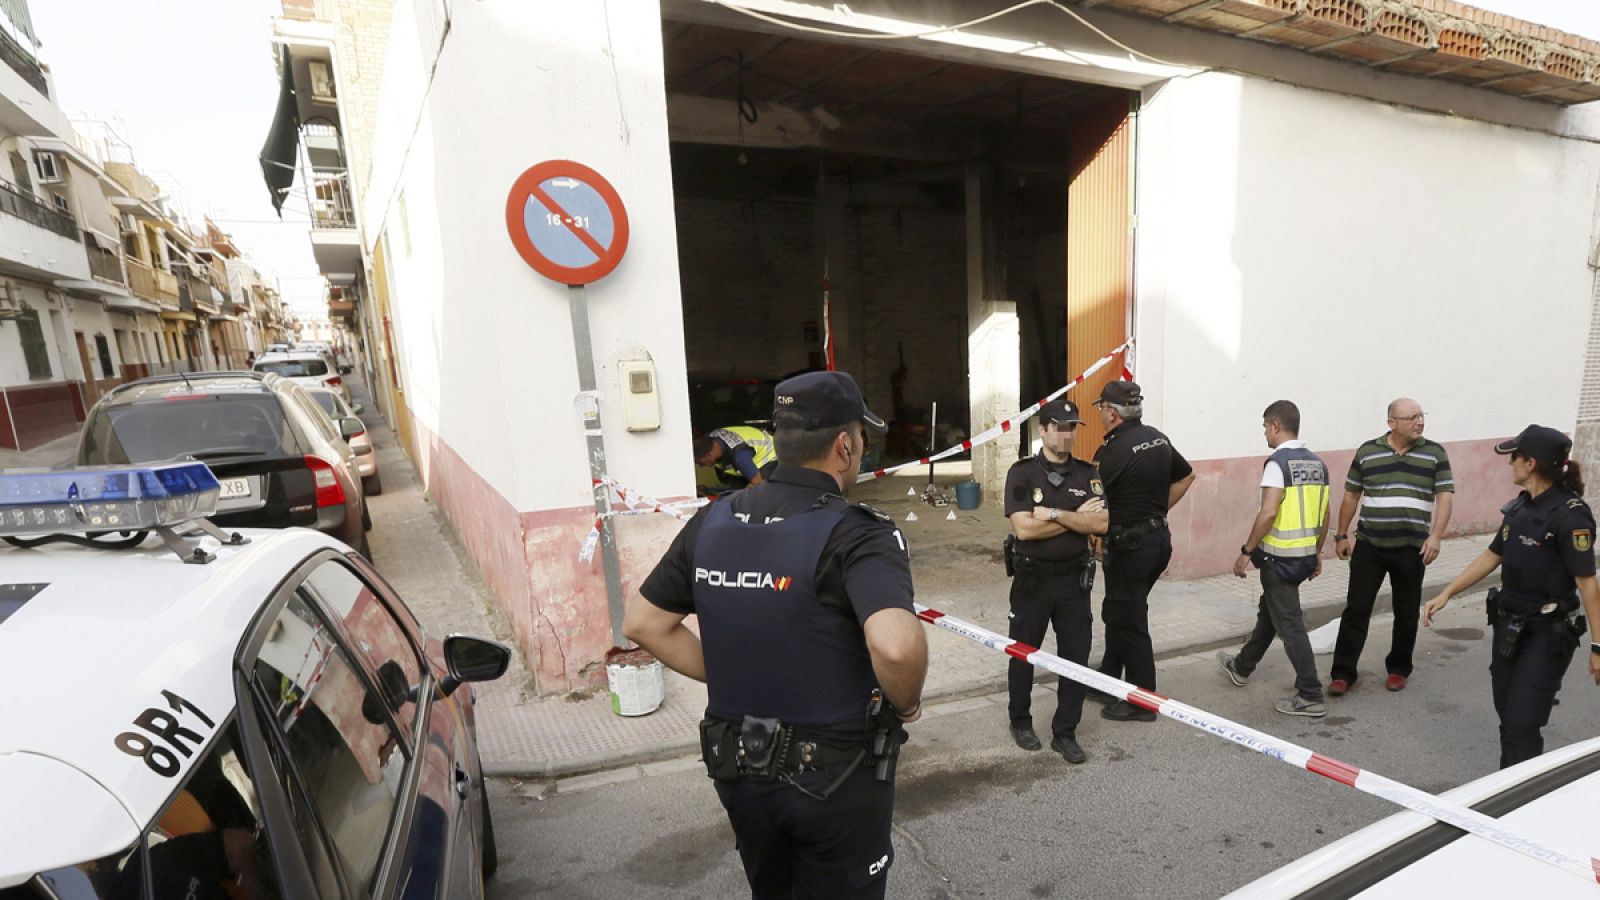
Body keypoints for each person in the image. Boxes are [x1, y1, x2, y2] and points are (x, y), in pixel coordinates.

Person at [626, 370, 928, 898]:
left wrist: (724, 670)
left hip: (738, 770)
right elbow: (896, 647)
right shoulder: (860, 532)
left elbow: (644, 624)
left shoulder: (713, 520)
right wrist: (906, 704)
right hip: (834, 777)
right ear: (844, 445)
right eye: (861, 437)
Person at [1422, 425, 1600, 768]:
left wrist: (1597, 647)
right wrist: (1447, 593)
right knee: (1508, 717)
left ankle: (1519, 803)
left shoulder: (1570, 515)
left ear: (1530, 463)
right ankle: (1515, 783)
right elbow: (1492, 555)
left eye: (1514, 458)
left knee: (1522, 724)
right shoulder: (1521, 508)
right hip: (1509, 629)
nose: (1510, 465)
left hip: (1547, 635)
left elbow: (1588, 584)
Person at [1002, 398, 1108, 763]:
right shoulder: (1022, 473)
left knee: (1075, 658)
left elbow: (1102, 524)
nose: (1066, 434)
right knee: (1022, 653)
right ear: (1043, 429)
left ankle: (1065, 732)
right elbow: (1023, 530)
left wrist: (1055, 513)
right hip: (1032, 580)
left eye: (1072, 427)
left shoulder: (1088, 473)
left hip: (1072, 582)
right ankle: (1020, 720)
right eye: (1059, 427)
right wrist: (1075, 517)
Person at [1329, 398, 1454, 695]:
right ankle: (1343, 674)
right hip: (1370, 546)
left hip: (1412, 548)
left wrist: (1435, 536)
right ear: (1391, 423)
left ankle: (1398, 668)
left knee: (1406, 611)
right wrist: (1341, 534)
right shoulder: (1368, 451)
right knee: (1356, 610)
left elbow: (1445, 497)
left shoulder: (1435, 453)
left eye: (1421, 416)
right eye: (1411, 417)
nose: (1419, 422)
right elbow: (1351, 495)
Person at [1090, 380, 1195, 721]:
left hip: (1130, 549)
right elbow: (1186, 477)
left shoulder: (1112, 452)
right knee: (1120, 612)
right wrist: (1156, 512)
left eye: (1102, 409)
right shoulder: (1157, 438)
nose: (1102, 415)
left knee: (1129, 621)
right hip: (1157, 542)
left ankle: (1142, 700)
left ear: (1112, 414)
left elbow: (1093, 503)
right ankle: (1107, 679)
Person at [1218, 401, 1330, 717]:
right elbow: (1325, 514)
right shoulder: (1318, 464)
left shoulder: (1277, 464)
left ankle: (1310, 693)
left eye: (1265, 427)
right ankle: (1241, 667)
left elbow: (1268, 513)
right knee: (1271, 613)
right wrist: (1317, 553)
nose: (1265, 433)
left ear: (1276, 426)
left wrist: (1246, 551)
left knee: (1290, 625)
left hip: (1278, 560)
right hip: (1304, 557)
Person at [695, 425, 778, 489]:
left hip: (771, 456)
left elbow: (757, 483)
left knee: (752, 494)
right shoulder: (710, 438)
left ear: (709, 455)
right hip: (750, 457)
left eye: (701, 463)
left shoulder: (740, 456)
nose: (701, 466)